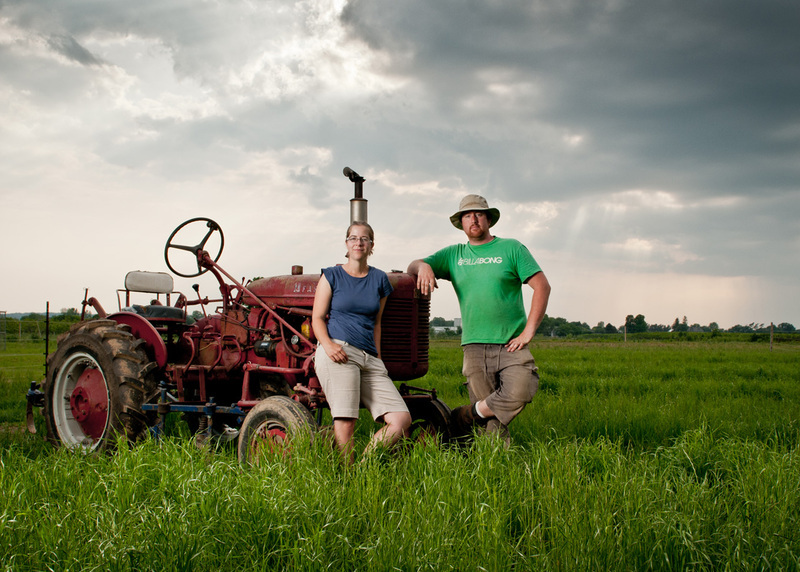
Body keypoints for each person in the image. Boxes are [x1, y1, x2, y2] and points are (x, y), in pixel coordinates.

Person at [407, 195, 551, 440]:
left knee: (521, 389)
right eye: (467, 215)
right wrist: (424, 267)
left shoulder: (512, 248)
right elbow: (413, 265)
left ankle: (466, 414)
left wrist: (528, 332)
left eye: (479, 214)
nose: (473, 219)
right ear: (461, 223)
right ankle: (493, 464)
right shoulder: (454, 254)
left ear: (488, 219)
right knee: (490, 420)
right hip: (474, 345)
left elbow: (542, 286)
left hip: (511, 343)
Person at [312, 221, 412, 463]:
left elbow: (377, 322)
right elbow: (316, 318)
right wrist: (328, 345)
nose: (358, 242)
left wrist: (377, 356)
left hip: (369, 357)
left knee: (401, 419)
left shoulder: (379, 279)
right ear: (346, 244)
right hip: (340, 350)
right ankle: (348, 474)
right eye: (353, 238)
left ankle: (364, 468)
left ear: (371, 245)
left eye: (364, 239)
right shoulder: (331, 276)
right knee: (346, 418)